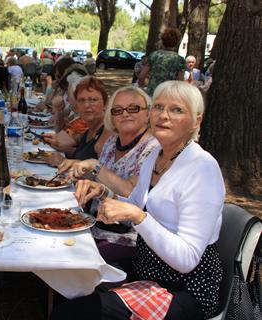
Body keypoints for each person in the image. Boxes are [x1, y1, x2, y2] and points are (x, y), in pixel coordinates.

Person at [52, 81, 224, 320]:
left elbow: (187, 260)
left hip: (184, 288)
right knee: (70, 278)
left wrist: (139, 217)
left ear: (196, 121)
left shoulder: (202, 168)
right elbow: (133, 202)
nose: (164, 115)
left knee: (71, 313)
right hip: (146, 267)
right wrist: (101, 191)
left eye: (177, 110)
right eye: (159, 107)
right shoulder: (157, 155)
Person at [58, 86, 159, 261]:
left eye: (133, 108)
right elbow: (100, 181)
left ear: (147, 113)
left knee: (67, 254)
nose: (125, 114)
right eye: (118, 110)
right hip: (94, 223)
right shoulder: (113, 141)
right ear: (111, 116)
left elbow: (131, 193)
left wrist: (95, 165)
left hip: (128, 237)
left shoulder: (153, 148)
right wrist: (79, 171)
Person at [43, 76, 113, 166]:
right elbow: (83, 155)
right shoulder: (90, 128)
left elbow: (103, 174)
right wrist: (64, 149)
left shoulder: (107, 133)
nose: (87, 105)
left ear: (105, 104)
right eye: (81, 100)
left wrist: (64, 162)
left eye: (93, 100)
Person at [138, 27, 185, 96]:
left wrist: (143, 88)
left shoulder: (153, 55)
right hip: (169, 95)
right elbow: (179, 83)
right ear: (177, 42)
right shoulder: (180, 60)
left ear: (162, 40)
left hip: (152, 93)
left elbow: (141, 77)